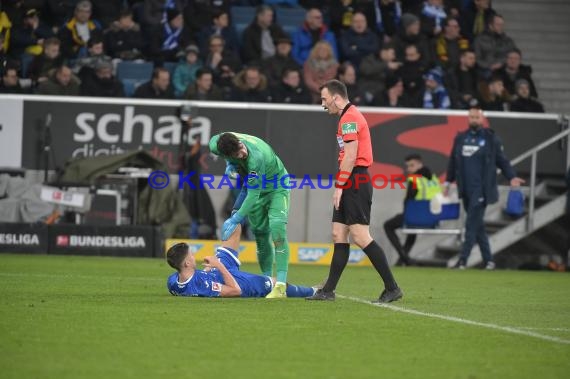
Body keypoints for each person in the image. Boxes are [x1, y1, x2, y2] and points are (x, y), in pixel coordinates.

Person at [306, 79, 402, 303]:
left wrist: (340, 186)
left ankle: (392, 287)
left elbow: (350, 156)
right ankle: (328, 291)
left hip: (355, 180)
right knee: (339, 235)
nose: (323, 104)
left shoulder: (349, 118)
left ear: (336, 98)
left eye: (324, 99)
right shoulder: (348, 116)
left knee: (360, 236)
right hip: (350, 179)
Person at [208, 132, 292, 298]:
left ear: (240, 142)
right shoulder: (215, 145)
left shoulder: (256, 158)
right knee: (260, 236)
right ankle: (268, 281)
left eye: (241, 148)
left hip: (277, 187)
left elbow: (253, 194)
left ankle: (281, 285)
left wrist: (235, 218)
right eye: (237, 154)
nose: (242, 153)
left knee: (277, 230)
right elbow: (249, 189)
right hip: (254, 189)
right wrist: (229, 165)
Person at [445, 100, 525, 269]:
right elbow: (453, 161)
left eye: (477, 117)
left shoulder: (491, 139)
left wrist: (512, 177)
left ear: (482, 118)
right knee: (478, 225)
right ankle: (489, 260)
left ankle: (463, 260)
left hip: (481, 189)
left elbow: (502, 160)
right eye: (471, 116)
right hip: (465, 189)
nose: (474, 119)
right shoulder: (460, 138)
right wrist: (447, 181)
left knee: (470, 224)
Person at [166, 225, 316, 298]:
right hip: (233, 281)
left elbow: (190, 281)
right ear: (186, 263)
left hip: (215, 271)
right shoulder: (201, 286)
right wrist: (218, 265)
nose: (194, 257)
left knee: (233, 227)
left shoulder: (172, 281)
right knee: (278, 284)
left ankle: (245, 202)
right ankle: (314, 291)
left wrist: (210, 268)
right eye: (191, 256)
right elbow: (235, 290)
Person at [384, 154, 441, 266]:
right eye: (408, 166)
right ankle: (402, 261)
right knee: (412, 230)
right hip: (432, 218)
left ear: (420, 165)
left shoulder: (415, 179)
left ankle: (404, 258)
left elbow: (409, 200)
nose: (409, 169)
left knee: (388, 226)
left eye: (412, 165)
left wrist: (405, 214)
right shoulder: (434, 179)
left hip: (416, 217)